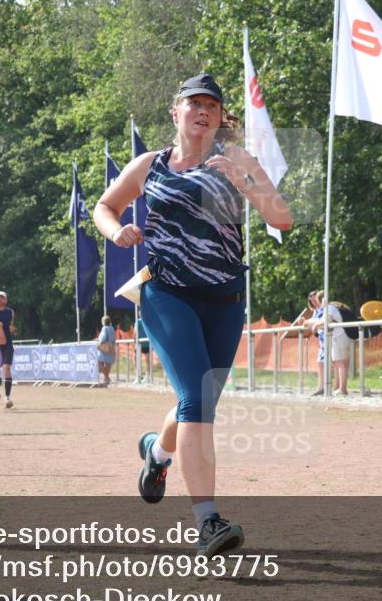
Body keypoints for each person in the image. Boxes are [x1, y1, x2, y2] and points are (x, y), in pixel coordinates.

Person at [93, 74, 292, 557]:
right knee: (197, 404)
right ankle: (208, 522)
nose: (203, 111)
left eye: (212, 105)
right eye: (194, 103)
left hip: (224, 300)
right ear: (176, 112)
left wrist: (243, 180)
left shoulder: (237, 160)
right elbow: (105, 206)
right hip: (167, 294)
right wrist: (117, 231)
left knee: (195, 402)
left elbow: (281, 218)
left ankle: (157, 453)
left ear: (222, 117)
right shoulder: (149, 166)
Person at [300, 290, 350, 395]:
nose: (316, 303)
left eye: (317, 300)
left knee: (339, 363)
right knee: (337, 363)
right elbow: (321, 321)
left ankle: (342, 389)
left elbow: (326, 320)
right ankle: (338, 388)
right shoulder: (328, 308)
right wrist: (315, 324)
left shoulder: (330, 308)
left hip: (337, 336)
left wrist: (315, 325)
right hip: (334, 337)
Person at [0, 290, 17, 409]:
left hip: (7, 344)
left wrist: (13, 329)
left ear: (5, 300)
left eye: (2, 297)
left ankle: (7, 398)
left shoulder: (10, 312)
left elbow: (11, 326)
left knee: (6, 369)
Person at [97, 315, 116, 386]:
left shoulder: (104, 328)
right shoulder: (112, 328)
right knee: (108, 364)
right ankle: (106, 378)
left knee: (99, 363)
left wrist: (99, 341)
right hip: (111, 347)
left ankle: (107, 377)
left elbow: (103, 338)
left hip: (104, 348)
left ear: (103, 322)